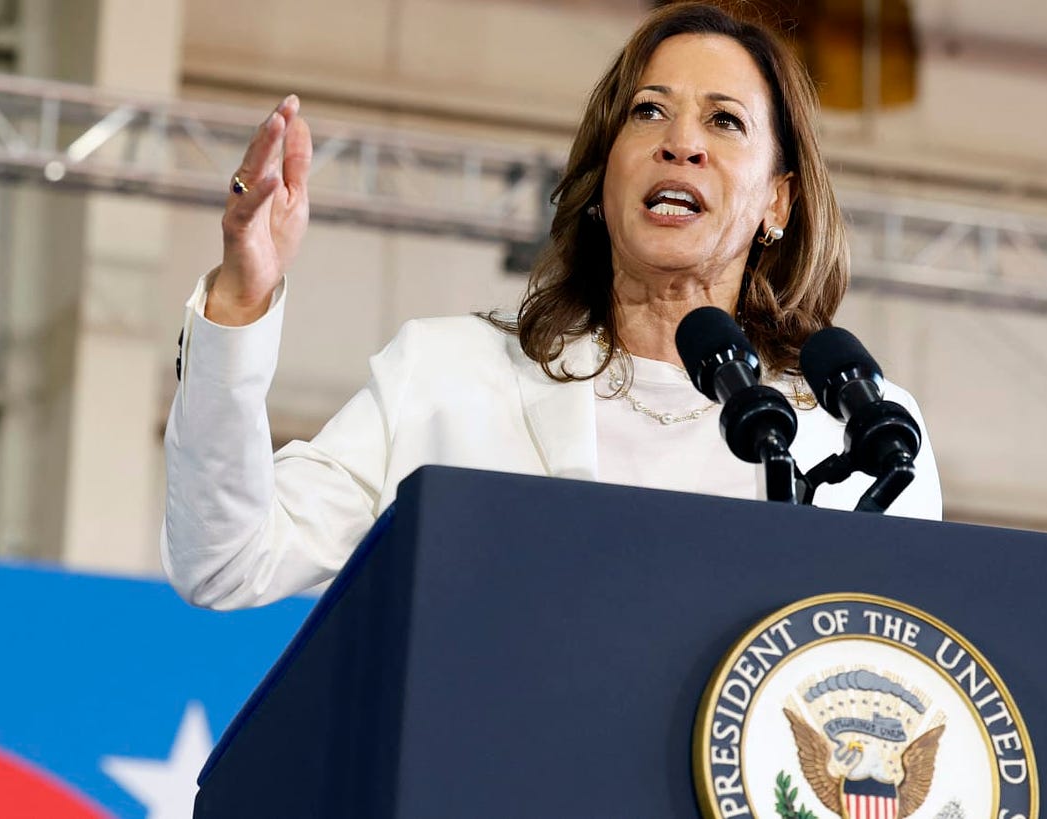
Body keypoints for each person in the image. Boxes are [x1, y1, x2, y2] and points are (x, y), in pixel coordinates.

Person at [163, 2, 941, 610]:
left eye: (725, 121)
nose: (681, 144)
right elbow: (227, 559)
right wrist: (241, 299)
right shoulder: (448, 376)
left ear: (779, 200)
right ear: (603, 181)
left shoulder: (863, 433)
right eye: (648, 112)